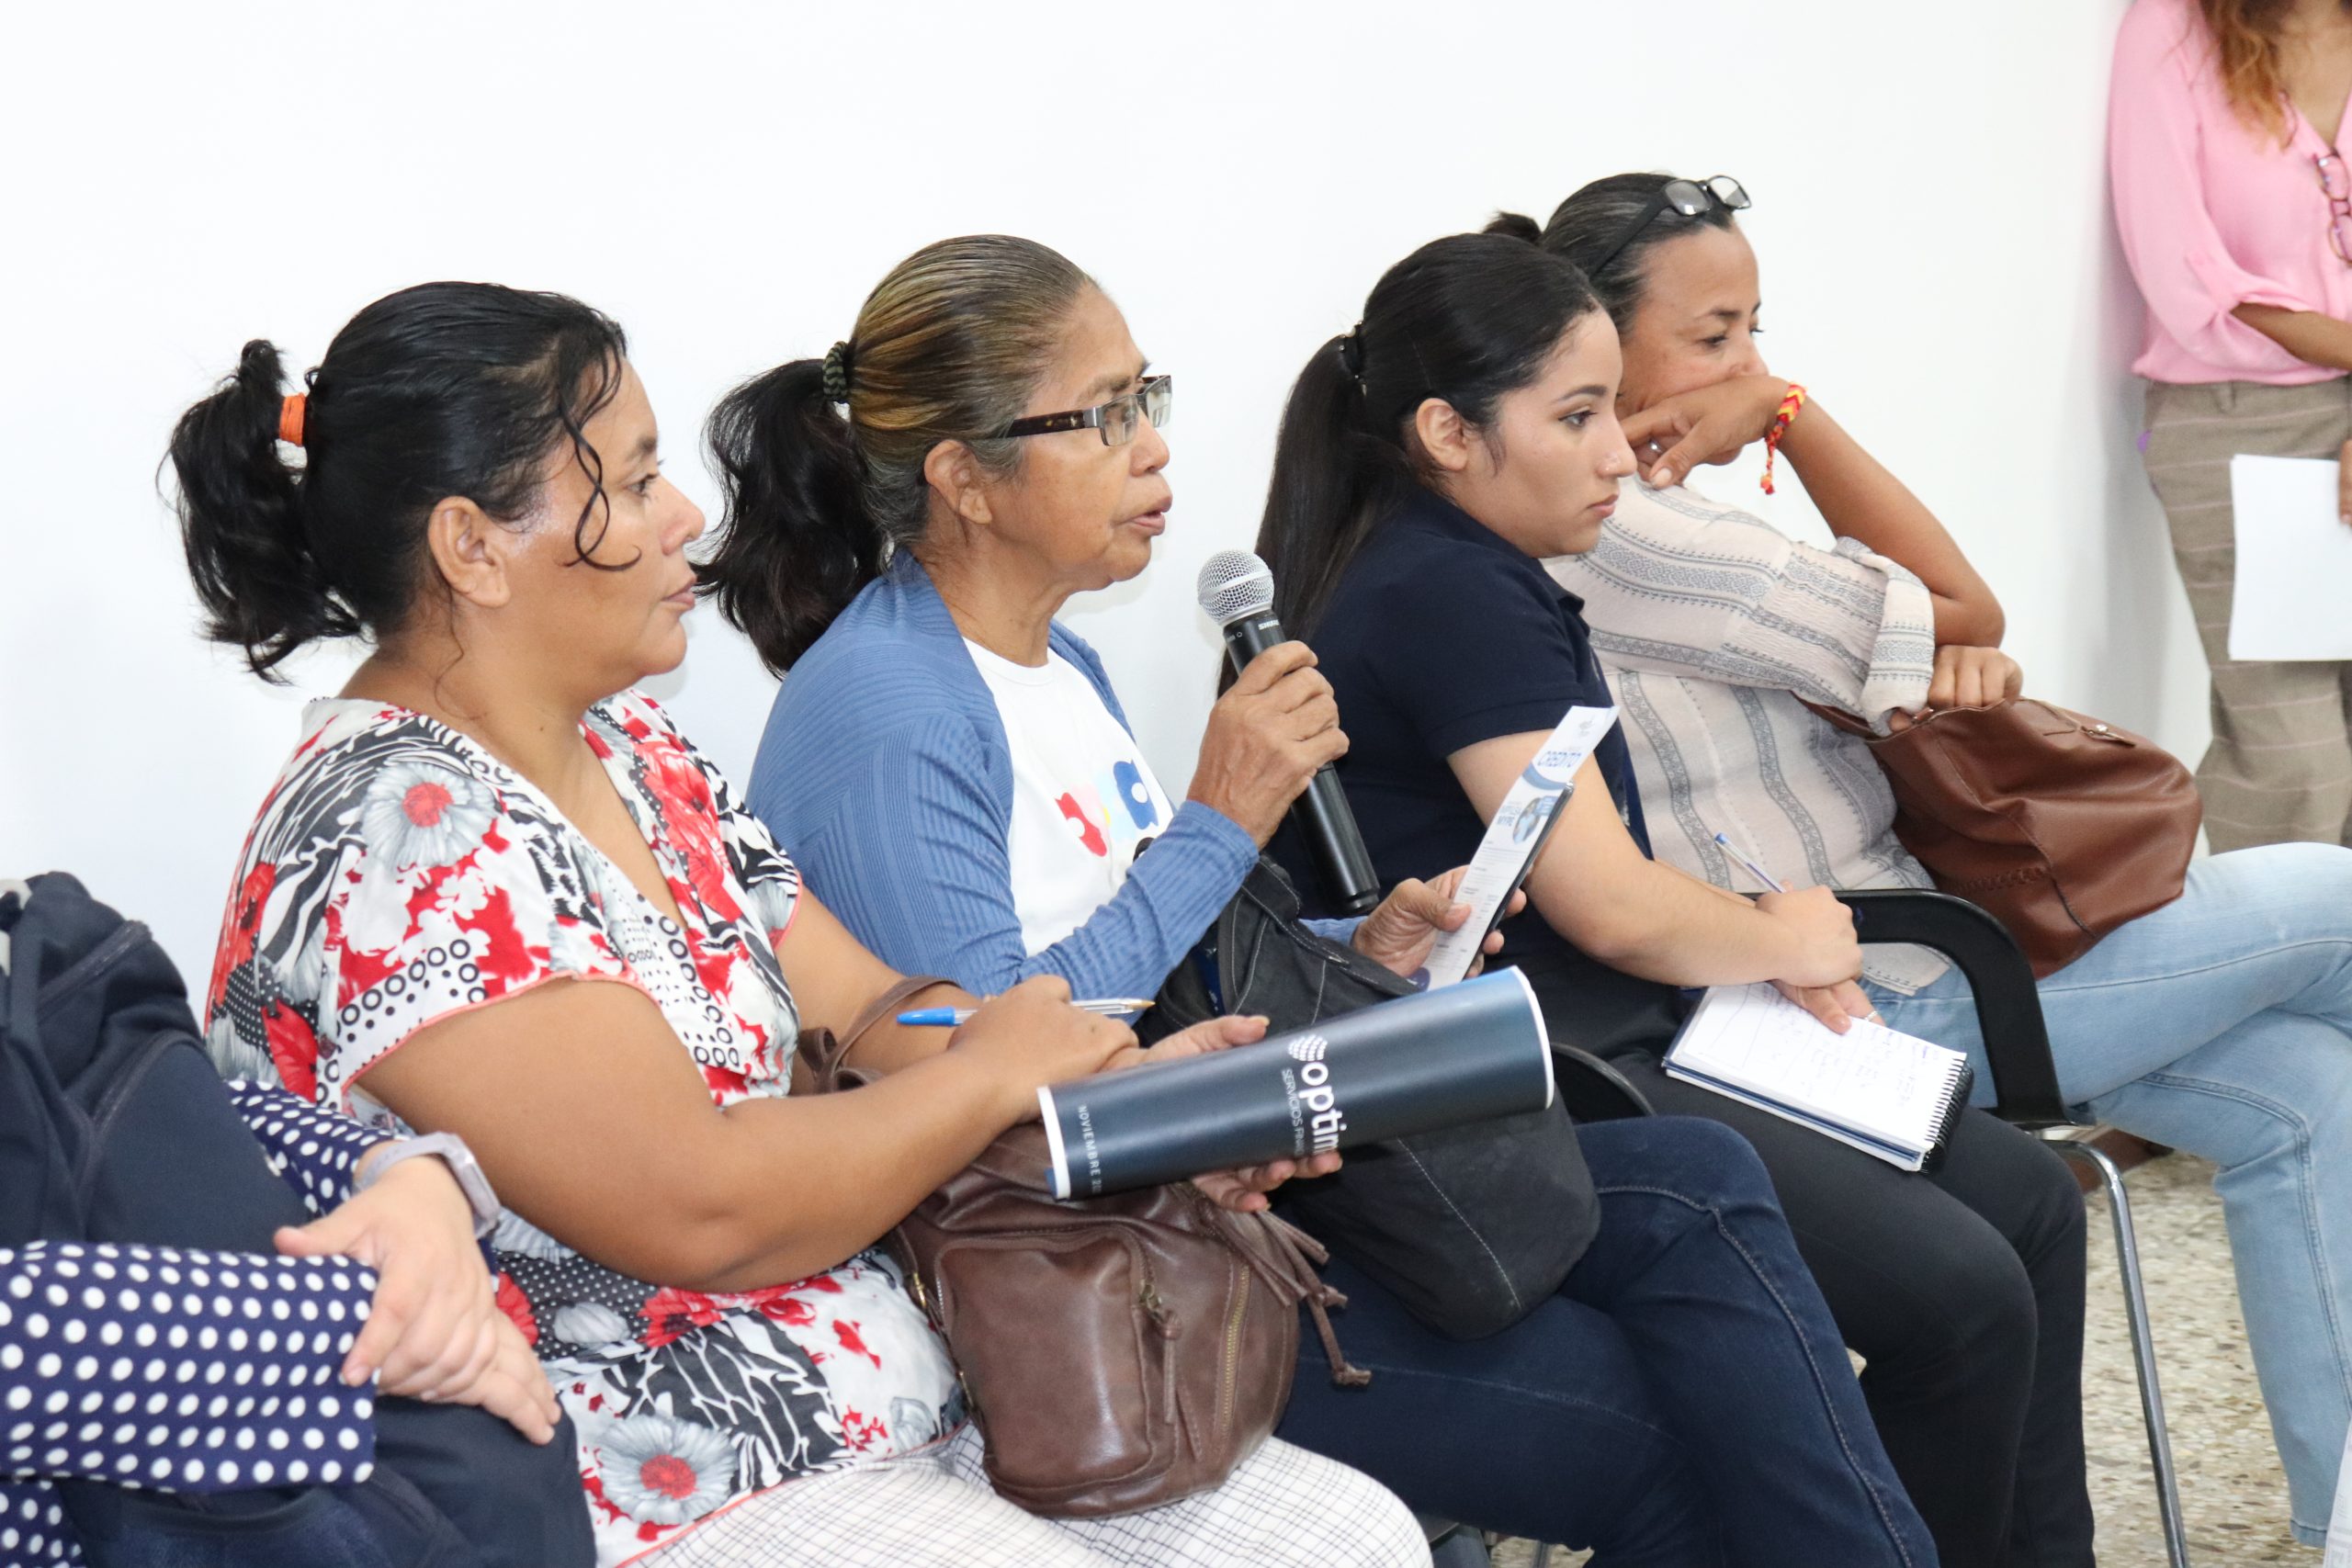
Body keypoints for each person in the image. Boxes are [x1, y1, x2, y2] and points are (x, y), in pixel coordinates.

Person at [708, 233, 1939, 1565]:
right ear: (965, 479)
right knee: (1674, 1440)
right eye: (1105, 416)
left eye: (1147, 397)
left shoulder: (1051, 659)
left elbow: (1159, 958)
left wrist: (1359, 943)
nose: (1154, 448)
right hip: (1106, 1272)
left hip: (1222, 1181)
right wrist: (1219, 820)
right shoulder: (888, 708)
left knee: (1698, 1182)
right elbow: (992, 1079)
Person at [170, 280, 1426, 1568]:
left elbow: (878, 1012)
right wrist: (994, 1078)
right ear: (472, 547)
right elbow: (703, 1208)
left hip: (887, 1385)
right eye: (634, 479)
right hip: (636, 1474)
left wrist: (1120, 1102)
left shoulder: (635, 749)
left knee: (1354, 1538)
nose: (685, 516)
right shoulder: (398, 831)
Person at [1518, 166, 2352, 1549]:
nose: (1750, 366)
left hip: (1912, 950)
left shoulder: (1644, 522)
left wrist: (1935, 643)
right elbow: (1963, 604)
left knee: (2314, 1094)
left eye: (1759, 333)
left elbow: (1949, 636)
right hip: (1864, 1003)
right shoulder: (1638, 535)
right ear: (1598, 345)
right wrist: (1794, 418)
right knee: (2337, 894)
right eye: (1715, 336)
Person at [1246, 226, 2091, 1568]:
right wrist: (1786, 935)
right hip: (1557, 1071)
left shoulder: (1446, 561)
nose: (1616, 455)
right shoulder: (1446, 590)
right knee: (1964, 1297)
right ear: (1448, 433)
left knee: (2032, 1205)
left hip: (1618, 1025)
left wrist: (1757, 942)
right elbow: (1611, 907)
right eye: (1577, 415)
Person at [2112, 0, 2352, 850]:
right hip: (2241, 422)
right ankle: (2284, 939)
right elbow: (2185, 271)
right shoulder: (2173, 28)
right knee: (2298, 766)